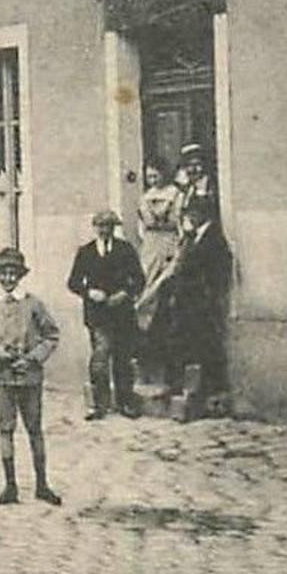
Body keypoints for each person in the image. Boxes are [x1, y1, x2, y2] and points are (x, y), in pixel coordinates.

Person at [0, 248, 61, 506]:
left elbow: (52, 335)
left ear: (20, 275)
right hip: (2, 377)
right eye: (3, 273)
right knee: (5, 429)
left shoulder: (33, 304)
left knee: (34, 429)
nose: (8, 278)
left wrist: (33, 357)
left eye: (13, 273)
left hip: (30, 377)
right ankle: (10, 486)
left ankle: (42, 484)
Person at [149, 194, 233, 419]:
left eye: (191, 213)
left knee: (203, 348)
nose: (189, 218)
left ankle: (205, 394)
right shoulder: (191, 236)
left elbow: (221, 269)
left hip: (201, 303)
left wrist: (210, 295)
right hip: (185, 300)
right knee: (177, 341)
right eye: (188, 214)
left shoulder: (213, 238)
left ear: (201, 213)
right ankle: (176, 387)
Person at [66, 210, 145, 420]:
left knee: (122, 359)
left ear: (114, 228)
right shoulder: (85, 252)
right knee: (100, 358)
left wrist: (125, 293)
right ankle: (99, 405)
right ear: (95, 227)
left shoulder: (125, 250)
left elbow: (139, 279)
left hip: (122, 314)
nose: (104, 230)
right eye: (100, 226)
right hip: (97, 315)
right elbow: (73, 282)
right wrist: (89, 292)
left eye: (108, 225)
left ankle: (125, 402)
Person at [136, 160, 182, 293]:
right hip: (151, 241)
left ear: (163, 174)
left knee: (168, 274)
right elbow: (141, 222)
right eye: (149, 177)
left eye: (155, 176)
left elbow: (178, 218)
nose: (153, 180)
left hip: (169, 239)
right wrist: (145, 237)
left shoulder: (175, 193)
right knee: (147, 274)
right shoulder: (146, 196)